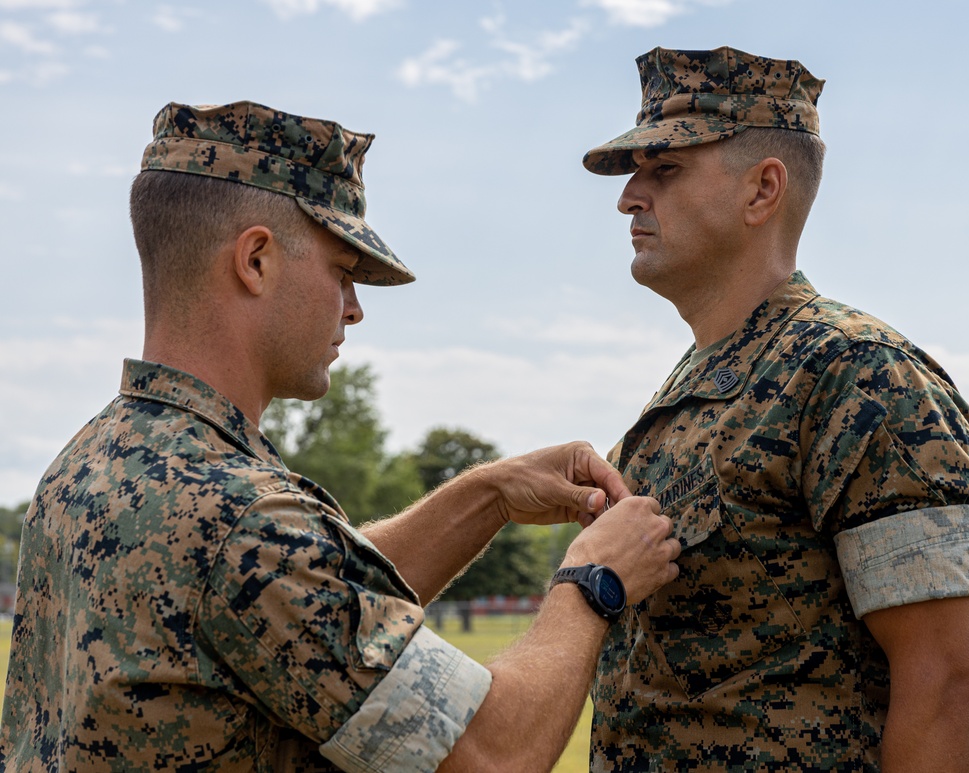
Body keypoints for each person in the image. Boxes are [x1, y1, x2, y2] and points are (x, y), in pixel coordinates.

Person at [0, 100, 683, 772]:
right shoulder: (241, 517)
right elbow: (492, 752)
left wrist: (490, 494)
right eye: (342, 272)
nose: (354, 309)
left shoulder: (87, 466)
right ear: (257, 260)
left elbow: (300, 609)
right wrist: (595, 577)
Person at [581, 46, 969, 772]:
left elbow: (948, 677)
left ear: (762, 190)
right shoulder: (684, 396)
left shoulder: (858, 375)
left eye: (665, 169)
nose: (629, 197)